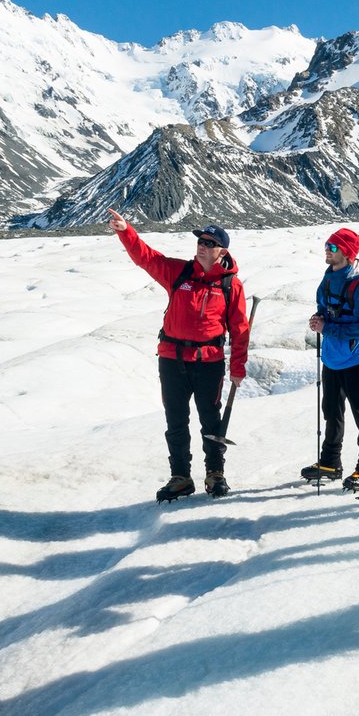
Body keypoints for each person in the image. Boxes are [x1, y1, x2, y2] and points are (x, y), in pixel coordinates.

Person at [107, 209, 249, 502]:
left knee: (211, 420)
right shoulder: (180, 272)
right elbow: (146, 258)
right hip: (171, 359)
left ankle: (215, 473)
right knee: (175, 420)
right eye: (200, 240)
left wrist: (238, 366)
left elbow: (239, 328)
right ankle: (180, 477)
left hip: (208, 362)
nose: (202, 245)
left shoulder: (230, 284)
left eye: (209, 243)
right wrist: (125, 231)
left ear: (222, 250)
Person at [302, 227, 359, 489]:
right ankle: (330, 461)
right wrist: (318, 320)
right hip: (333, 358)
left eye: (333, 247)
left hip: (356, 359)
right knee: (331, 412)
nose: (327, 249)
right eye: (327, 245)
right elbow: (327, 311)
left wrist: (327, 328)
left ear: (346, 253)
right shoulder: (327, 280)